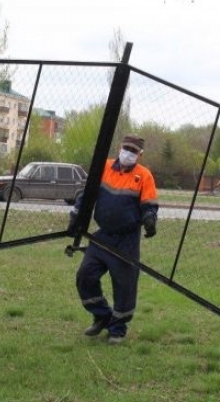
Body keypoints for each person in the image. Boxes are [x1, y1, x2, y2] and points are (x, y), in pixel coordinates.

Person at [68, 134, 159, 344]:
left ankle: (118, 329)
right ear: (120, 147)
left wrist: (150, 220)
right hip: (102, 237)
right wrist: (76, 216)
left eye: (134, 151)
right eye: (127, 148)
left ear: (140, 154)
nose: (129, 153)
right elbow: (86, 194)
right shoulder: (105, 166)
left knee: (124, 286)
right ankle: (102, 315)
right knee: (85, 276)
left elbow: (150, 204)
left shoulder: (144, 176)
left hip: (127, 241)